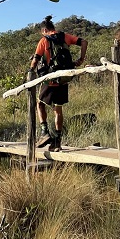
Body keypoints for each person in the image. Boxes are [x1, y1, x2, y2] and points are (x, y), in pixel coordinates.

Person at [30, 16, 88, 151]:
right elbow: (84, 42)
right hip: (64, 79)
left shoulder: (44, 40)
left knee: (39, 104)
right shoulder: (65, 37)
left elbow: (35, 60)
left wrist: (30, 72)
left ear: (44, 30)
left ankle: (44, 133)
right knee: (58, 110)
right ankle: (57, 142)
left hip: (50, 79)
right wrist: (81, 59)